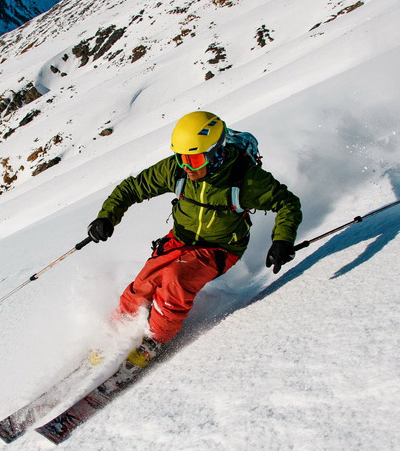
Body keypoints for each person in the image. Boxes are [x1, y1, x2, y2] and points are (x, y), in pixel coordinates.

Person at [87, 111, 302, 369]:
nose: (187, 166)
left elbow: (287, 203)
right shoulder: (178, 170)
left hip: (219, 248)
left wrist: (282, 239)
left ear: (215, 153)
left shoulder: (245, 179)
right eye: (181, 158)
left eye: (195, 159)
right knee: (144, 284)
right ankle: (115, 334)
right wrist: (107, 217)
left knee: (175, 279)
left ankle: (154, 342)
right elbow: (133, 187)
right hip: (179, 240)